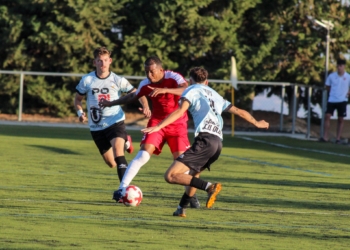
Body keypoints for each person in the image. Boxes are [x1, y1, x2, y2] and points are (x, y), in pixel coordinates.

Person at [141, 67, 269, 217]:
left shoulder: (191, 90)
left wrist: (158, 126)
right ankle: (181, 208)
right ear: (206, 82)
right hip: (218, 144)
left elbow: (180, 111)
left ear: (190, 81)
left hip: (205, 140)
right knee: (193, 176)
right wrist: (256, 123)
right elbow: (239, 111)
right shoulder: (215, 95)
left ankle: (210, 187)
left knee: (170, 175)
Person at [99, 56, 200, 208]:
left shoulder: (173, 77)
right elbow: (133, 96)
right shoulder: (146, 84)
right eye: (146, 72)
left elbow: (187, 89)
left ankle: (190, 195)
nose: (149, 76)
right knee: (143, 154)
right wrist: (111, 103)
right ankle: (122, 189)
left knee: (181, 162)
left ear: (161, 70)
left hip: (177, 124)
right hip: (156, 123)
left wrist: (165, 89)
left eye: (152, 72)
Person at [74, 46, 151, 189]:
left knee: (118, 153)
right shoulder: (87, 80)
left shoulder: (117, 80)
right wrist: (80, 113)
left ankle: (124, 190)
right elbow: (77, 100)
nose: (102, 64)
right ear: (94, 62)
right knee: (111, 163)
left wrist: (145, 106)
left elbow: (137, 93)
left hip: (115, 122)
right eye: (99, 61)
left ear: (110, 61)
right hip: (96, 126)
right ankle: (126, 141)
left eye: (105, 60)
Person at [319, 58, 350, 144]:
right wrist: (333, 93)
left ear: (344, 67)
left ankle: (338, 138)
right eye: (338, 66)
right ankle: (325, 137)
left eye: (341, 66)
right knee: (327, 116)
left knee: (340, 119)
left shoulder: (348, 77)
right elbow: (327, 86)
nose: (339, 68)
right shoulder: (332, 76)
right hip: (332, 100)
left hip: (342, 100)